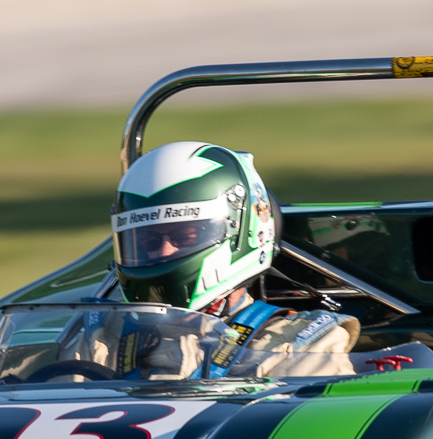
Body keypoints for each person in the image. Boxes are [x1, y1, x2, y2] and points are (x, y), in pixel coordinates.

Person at [52, 141, 358, 380]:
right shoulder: (101, 338)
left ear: (242, 233)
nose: (163, 253)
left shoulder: (301, 343)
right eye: (147, 242)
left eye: (183, 237)